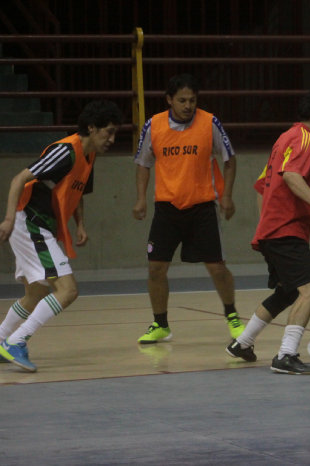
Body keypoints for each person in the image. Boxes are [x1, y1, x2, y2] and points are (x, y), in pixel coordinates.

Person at [0, 100, 123, 372]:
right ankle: (16, 341)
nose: (112, 139)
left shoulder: (89, 157)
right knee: (68, 290)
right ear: (92, 128)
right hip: (29, 222)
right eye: (109, 132)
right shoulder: (66, 151)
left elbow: (77, 194)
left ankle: (1, 338)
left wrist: (80, 224)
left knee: (36, 292)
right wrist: (8, 219)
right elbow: (19, 179)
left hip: (42, 226)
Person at [225, 88, 310, 375]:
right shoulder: (306, 139)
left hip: (272, 231)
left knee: (288, 292)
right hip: (286, 231)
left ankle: (242, 342)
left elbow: (261, 184)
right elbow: (291, 176)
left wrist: (265, 224)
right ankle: (286, 355)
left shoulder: (284, 139)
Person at [133, 73, 245, 344]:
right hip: (167, 209)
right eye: (182, 100)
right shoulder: (154, 125)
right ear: (169, 100)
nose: (187, 105)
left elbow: (229, 160)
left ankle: (232, 316)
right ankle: (160, 324)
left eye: (192, 100)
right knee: (156, 269)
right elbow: (143, 164)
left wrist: (227, 195)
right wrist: (141, 198)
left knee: (217, 268)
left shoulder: (209, 123)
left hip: (202, 207)